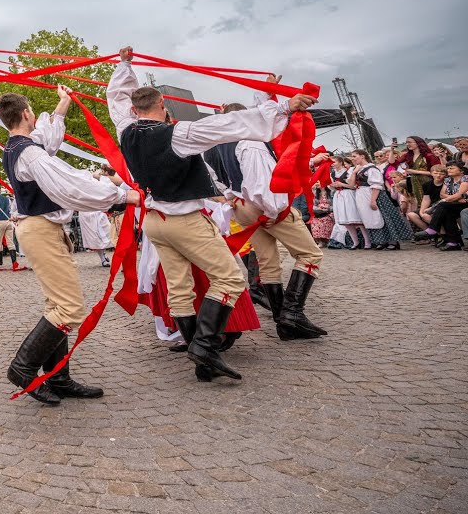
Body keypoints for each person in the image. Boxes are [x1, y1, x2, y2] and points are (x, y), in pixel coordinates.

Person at [108, 46, 315, 381]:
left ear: (133, 109)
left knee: (179, 287)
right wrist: (282, 106)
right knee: (231, 279)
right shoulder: (178, 133)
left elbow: (115, 96)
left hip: (154, 222)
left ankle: (201, 358)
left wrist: (124, 65)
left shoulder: (124, 130)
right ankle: (204, 345)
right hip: (184, 220)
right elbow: (229, 125)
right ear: (163, 105)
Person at [0, 87, 138, 406]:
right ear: (26, 114)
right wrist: (122, 196)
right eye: (33, 111)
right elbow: (68, 184)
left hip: (43, 228)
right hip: (40, 229)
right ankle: (23, 368)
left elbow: (48, 137)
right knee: (68, 308)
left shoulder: (25, 146)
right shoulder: (28, 152)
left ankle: (57, 376)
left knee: (56, 304)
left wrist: (64, 102)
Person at [228, 87, 327, 342]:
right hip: (264, 207)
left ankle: (282, 321)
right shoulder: (251, 143)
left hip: (243, 208)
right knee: (310, 254)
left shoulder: (220, 143)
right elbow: (261, 183)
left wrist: (265, 89)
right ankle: (291, 314)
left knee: (268, 262)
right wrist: (273, 210)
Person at [348, 150, 411, 250]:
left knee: (383, 216)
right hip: (362, 195)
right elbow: (351, 185)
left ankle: (393, 241)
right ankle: (382, 240)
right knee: (371, 218)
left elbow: (377, 185)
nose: (352, 158)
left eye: (354, 156)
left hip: (373, 195)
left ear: (362, 156)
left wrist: (373, 200)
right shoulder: (357, 169)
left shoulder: (372, 168)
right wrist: (355, 172)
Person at [420, 162, 467, 251]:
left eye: (452, 168)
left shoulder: (465, 179)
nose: (449, 170)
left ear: (461, 171)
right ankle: (454, 243)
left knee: (443, 205)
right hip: (454, 203)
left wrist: (454, 197)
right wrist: (455, 198)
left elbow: (460, 194)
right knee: (447, 213)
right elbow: (442, 194)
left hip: (465, 203)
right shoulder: (448, 180)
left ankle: (433, 228)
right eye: (448, 168)